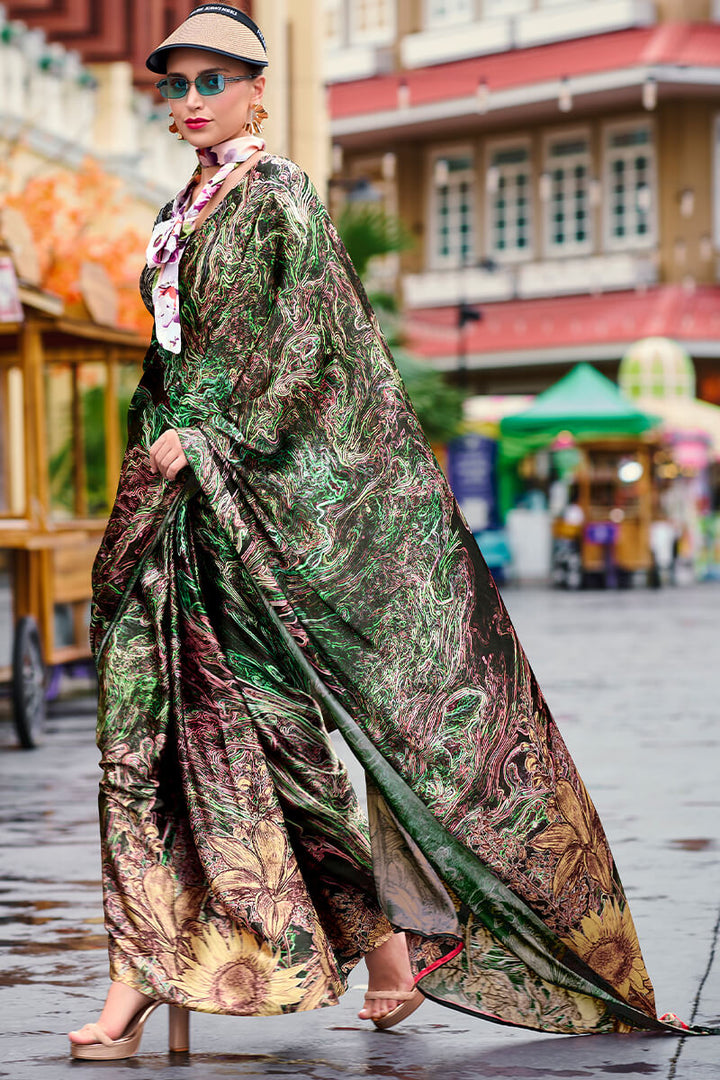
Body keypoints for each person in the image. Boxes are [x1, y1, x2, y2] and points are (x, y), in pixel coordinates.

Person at [68, 3, 715, 1061]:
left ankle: (383, 956)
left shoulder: (280, 196)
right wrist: (157, 453)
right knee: (143, 746)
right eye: (173, 86)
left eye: (208, 82)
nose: (188, 102)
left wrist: (215, 438)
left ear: (254, 91)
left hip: (252, 510)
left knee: (284, 746)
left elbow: (312, 346)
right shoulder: (178, 209)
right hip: (175, 515)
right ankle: (140, 975)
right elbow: (172, 361)